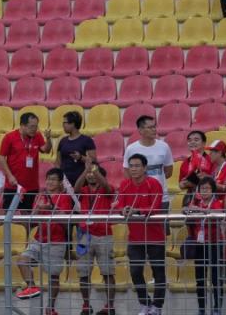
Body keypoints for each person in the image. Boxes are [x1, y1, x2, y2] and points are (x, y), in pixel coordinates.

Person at [115, 154, 166, 315]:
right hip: (135, 238)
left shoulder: (154, 184)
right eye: (131, 166)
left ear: (145, 168)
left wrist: (137, 211)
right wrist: (122, 210)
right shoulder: (124, 184)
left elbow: (156, 207)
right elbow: (119, 205)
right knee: (135, 271)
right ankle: (145, 303)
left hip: (155, 237)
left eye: (137, 166)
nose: (134, 169)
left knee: (158, 272)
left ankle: (157, 307)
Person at [15, 168, 74, 308]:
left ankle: (50, 307)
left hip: (56, 242)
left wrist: (50, 208)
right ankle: (32, 287)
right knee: (22, 260)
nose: (50, 182)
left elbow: (66, 219)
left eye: (53, 179)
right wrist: (36, 210)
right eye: (48, 178)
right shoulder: (39, 196)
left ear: (60, 183)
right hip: (39, 239)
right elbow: (33, 220)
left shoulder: (65, 198)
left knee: (53, 277)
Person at [73, 158, 117, 315]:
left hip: (104, 235)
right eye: (89, 174)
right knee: (83, 273)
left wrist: (95, 169)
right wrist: (85, 170)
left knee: (107, 272)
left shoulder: (107, 189)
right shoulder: (84, 191)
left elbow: (105, 185)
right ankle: (86, 305)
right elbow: (76, 188)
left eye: (94, 173)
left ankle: (109, 306)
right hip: (85, 236)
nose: (91, 175)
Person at [184, 176, 224, 315]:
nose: (205, 191)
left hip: (214, 244)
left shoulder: (217, 203)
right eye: (202, 189)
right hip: (199, 244)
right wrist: (189, 210)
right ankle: (201, 309)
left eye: (207, 188)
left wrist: (200, 211)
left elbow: (218, 213)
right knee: (200, 279)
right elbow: (186, 213)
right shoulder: (196, 203)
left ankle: (217, 308)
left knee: (215, 278)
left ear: (213, 190)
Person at [0, 112, 52, 214]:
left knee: (28, 217)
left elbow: (46, 150)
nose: (34, 129)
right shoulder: (9, 137)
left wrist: (48, 139)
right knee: (10, 215)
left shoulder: (37, 136)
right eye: (31, 126)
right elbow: (1, 158)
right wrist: (9, 176)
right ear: (22, 125)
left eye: (36, 126)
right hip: (13, 186)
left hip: (32, 186)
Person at [123, 115, 174, 209]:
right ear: (140, 130)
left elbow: (169, 171)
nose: (154, 129)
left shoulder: (164, 146)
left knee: (161, 223)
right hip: (139, 197)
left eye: (154, 126)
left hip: (161, 197)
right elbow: (127, 173)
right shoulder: (131, 149)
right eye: (150, 127)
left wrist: (155, 183)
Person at [56, 110, 97, 186]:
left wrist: (80, 157)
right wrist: (59, 177)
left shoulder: (87, 140)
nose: (63, 125)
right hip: (64, 182)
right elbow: (58, 162)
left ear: (73, 124)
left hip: (81, 181)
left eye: (65, 122)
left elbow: (93, 161)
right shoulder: (62, 141)